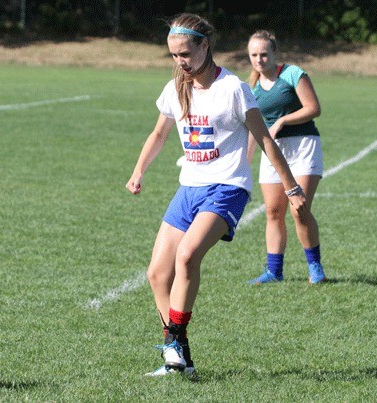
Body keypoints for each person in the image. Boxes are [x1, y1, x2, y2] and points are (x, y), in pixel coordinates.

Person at [126, 13, 308, 376]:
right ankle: (178, 357)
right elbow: (159, 134)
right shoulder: (174, 89)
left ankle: (174, 341)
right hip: (188, 188)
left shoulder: (235, 89)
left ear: (204, 45)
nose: (180, 61)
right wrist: (138, 171)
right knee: (157, 274)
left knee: (188, 256)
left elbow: (265, 140)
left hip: (227, 187)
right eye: (174, 55)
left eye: (185, 53)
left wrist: (291, 187)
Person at [245, 30, 327, 285]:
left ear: (274, 54)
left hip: (303, 147)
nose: (259, 60)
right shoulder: (251, 88)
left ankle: (315, 266)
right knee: (272, 211)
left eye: (264, 54)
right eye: (254, 55)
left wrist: (282, 120)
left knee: (299, 209)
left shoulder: (292, 74)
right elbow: (251, 130)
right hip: (273, 153)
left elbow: (314, 109)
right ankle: (274, 271)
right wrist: (244, 164)